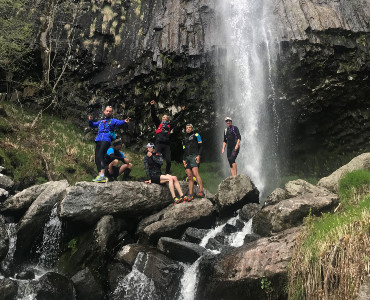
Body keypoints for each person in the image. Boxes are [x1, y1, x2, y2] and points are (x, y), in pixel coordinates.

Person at [88, 106, 130, 183]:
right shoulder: (101, 122)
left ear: (111, 113)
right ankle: (100, 175)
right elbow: (92, 125)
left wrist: (124, 121)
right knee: (97, 158)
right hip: (98, 139)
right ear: (104, 112)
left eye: (110, 111)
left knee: (101, 155)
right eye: (107, 111)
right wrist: (90, 120)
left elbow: (119, 122)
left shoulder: (113, 121)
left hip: (106, 139)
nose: (108, 112)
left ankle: (102, 175)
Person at [150, 100, 185, 174]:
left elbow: (177, 120)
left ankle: (167, 173)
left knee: (169, 160)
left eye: (166, 118)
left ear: (168, 119)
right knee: (156, 159)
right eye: (163, 117)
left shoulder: (169, 126)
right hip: (159, 144)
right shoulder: (158, 124)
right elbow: (153, 116)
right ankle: (156, 173)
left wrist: (182, 111)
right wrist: (152, 106)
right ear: (162, 119)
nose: (164, 118)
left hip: (166, 145)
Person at [182, 124, 205, 201]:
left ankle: (201, 191)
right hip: (186, 158)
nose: (188, 129)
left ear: (192, 129)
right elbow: (184, 150)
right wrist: (183, 159)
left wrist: (199, 155)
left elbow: (201, 146)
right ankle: (190, 194)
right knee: (189, 176)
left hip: (194, 156)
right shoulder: (184, 139)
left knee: (195, 173)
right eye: (187, 128)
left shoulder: (196, 135)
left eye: (189, 128)